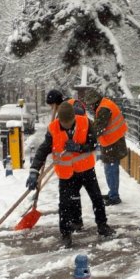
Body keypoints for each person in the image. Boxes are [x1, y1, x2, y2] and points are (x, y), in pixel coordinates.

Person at [26, 102, 115, 248]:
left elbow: (94, 143)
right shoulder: (53, 129)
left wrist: (80, 147)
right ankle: (66, 234)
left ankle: (102, 225)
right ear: (59, 119)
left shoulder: (85, 122)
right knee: (65, 204)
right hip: (66, 174)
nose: (67, 125)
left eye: (69, 122)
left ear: (74, 117)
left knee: (97, 198)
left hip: (86, 169)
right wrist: (34, 171)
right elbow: (43, 150)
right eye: (64, 123)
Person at [44, 89, 87, 230]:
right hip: (70, 160)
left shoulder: (72, 108)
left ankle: (75, 221)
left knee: (72, 193)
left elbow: (76, 126)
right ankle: (74, 221)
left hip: (80, 159)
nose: (52, 109)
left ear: (56, 103)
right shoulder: (65, 107)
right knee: (72, 194)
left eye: (52, 106)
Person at [83, 89, 128, 206]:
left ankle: (114, 197)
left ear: (95, 101)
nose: (91, 107)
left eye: (91, 104)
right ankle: (112, 193)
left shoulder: (104, 109)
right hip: (111, 142)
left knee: (111, 169)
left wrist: (85, 137)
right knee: (109, 169)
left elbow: (98, 129)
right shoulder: (104, 104)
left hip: (114, 143)